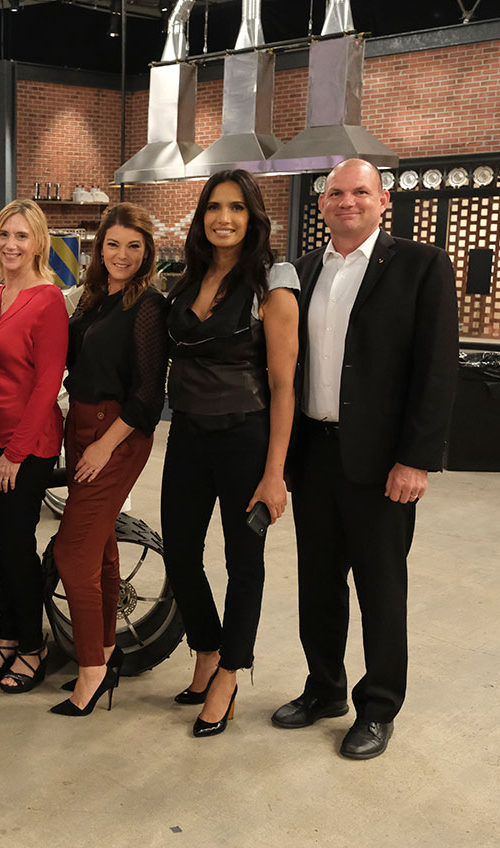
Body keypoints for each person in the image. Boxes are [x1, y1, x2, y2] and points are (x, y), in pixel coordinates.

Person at [272, 158, 457, 760]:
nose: (346, 202)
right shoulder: (302, 271)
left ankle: (379, 706)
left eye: (359, 192)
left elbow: (436, 370)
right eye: (335, 194)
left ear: (383, 202)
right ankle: (325, 689)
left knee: (380, 588)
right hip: (316, 453)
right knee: (318, 585)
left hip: (382, 464)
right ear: (321, 205)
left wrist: (416, 460)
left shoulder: (419, 266)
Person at [161, 170, 300, 738]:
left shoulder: (272, 287)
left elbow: (285, 386)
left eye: (236, 208)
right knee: (180, 553)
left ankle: (229, 673)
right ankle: (207, 649)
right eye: (214, 207)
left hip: (246, 437)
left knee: (244, 563)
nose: (223, 218)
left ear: (253, 217)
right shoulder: (186, 277)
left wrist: (275, 474)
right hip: (188, 435)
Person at [49, 203, 169, 716]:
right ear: (100, 248)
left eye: (133, 246)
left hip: (114, 434)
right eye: (113, 245)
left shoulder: (147, 307)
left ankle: (91, 670)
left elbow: (148, 395)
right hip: (80, 425)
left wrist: (104, 444)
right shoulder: (95, 299)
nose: (122, 255)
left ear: (147, 253)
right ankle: (106, 653)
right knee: (98, 550)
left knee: (72, 552)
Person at [0, 198, 68, 694]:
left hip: (24, 444)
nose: (11, 244)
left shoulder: (47, 300)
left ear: (38, 243)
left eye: (22, 236)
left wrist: (16, 452)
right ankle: (10, 635)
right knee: (0, 545)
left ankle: (33, 646)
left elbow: (49, 383)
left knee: (16, 545)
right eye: (5, 234)